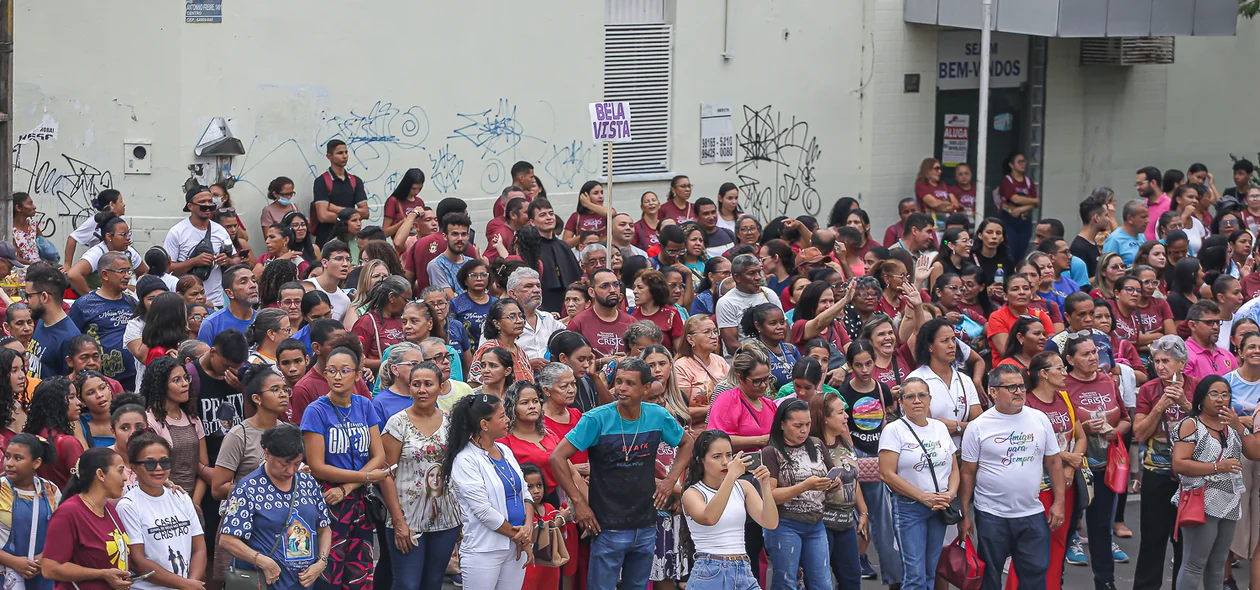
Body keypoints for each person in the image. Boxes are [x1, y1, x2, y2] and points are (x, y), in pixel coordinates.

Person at [550, 357, 693, 590]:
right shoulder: (596, 418)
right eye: (618, 382)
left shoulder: (657, 415)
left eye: (629, 383)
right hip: (608, 525)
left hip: (646, 522)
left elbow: (687, 443)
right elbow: (557, 457)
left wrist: (669, 482)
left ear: (646, 388)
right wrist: (580, 504)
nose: (621, 388)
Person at [958, 364, 1066, 590]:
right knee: (990, 577)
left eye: (1021, 386)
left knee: (1035, 577)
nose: (1019, 391)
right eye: (1011, 387)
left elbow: (1054, 461)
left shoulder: (1039, 419)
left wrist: (1059, 502)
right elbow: (968, 472)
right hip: (991, 515)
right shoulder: (978, 427)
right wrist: (965, 514)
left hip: (1032, 514)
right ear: (993, 391)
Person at [300, 343, 388, 587]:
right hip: (329, 498)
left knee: (360, 571)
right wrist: (366, 477)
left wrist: (349, 486)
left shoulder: (364, 405)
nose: (337, 376)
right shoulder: (315, 411)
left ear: (358, 375)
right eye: (331, 371)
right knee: (329, 573)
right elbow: (317, 466)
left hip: (358, 496)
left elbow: (378, 455)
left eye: (345, 370)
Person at [219, 423, 332, 590]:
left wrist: (321, 562)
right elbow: (227, 540)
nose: (291, 470)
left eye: (297, 463)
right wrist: (262, 561)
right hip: (265, 583)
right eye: (284, 463)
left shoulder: (308, 483)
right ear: (267, 453)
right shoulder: (249, 488)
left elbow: (324, 528)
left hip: (303, 583)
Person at [1172, 376, 1260, 590]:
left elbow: (1255, 452)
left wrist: (1239, 425)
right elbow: (1179, 464)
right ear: (1202, 397)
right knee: (1194, 564)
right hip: (1200, 499)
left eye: (1225, 394)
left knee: (1218, 564)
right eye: (1214, 394)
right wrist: (1217, 467)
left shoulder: (1231, 426)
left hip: (1229, 501)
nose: (1221, 399)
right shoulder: (1191, 424)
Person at [381, 361, 462, 590]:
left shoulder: (451, 422)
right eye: (416, 384)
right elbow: (386, 474)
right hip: (407, 517)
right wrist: (398, 522)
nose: (422, 389)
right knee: (407, 584)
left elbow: (459, 469)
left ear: (440, 386)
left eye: (428, 384)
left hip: (446, 517)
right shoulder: (398, 423)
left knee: (433, 583)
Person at [444, 393, 533, 589]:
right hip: (484, 550)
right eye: (501, 416)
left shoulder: (505, 450)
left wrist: (527, 529)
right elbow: (483, 511)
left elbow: (524, 492)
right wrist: (520, 537)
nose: (508, 419)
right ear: (484, 425)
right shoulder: (465, 460)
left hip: (516, 545)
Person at [1063, 333, 1131, 588]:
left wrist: (1118, 431)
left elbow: (1126, 418)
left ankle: (1106, 582)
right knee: (1067, 530)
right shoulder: (1064, 385)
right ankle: (1054, 581)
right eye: (1085, 354)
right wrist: (1082, 428)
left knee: (1101, 529)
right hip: (1075, 469)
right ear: (1070, 359)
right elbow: (1056, 426)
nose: (1093, 357)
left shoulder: (1107, 381)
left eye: (1095, 352)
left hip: (1105, 468)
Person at [877, 377, 958, 590]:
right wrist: (923, 497)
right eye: (910, 397)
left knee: (931, 570)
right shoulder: (893, 430)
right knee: (914, 576)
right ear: (901, 402)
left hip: (939, 506)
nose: (917, 401)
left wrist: (950, 494)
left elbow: (954, 467)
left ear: (930, 399)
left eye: (922, 395)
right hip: (910, 508)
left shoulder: (939, 427)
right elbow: (887, 474)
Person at [680, 430, 777, 590]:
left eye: (729, 455)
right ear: (701, 460)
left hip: (743, 568)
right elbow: (709, 518)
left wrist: (765, 485)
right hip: (710, 570)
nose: (725, 462)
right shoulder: (693, 493)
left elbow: (770, 522)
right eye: (717, 456)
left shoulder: (743, 487)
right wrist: (731, 477)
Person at [759, 398, 837, 590]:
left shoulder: (817, 444)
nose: (804, 430)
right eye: (798, 425)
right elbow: (770, 496)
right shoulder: (771, 452)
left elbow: (832, 472)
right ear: (783, 425)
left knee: (822, 582)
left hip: (816, 522)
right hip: (784, 524)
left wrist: (834, 483)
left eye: (808, 424)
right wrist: (804, 486)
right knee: (786, 581)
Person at [116, 430, 207, 589]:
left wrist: (191, 583)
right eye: (150, 463)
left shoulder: (181, 497)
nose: (159, 468)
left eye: (165, 462)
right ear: (134, 467)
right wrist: (185, 585)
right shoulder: (128, 506)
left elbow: (199, 548)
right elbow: (138, 561)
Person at [39, 447, 133, 590]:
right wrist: (102, 574)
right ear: (101, 475)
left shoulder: (108, 508)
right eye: (120, 471)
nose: (125, 477)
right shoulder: (69, 513)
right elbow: (49, 568)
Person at [66, 251, 137, 390]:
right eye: (122, 271)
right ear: (105, 275)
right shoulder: (84, 305)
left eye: (129, 271)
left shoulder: (132, 302)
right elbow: (71, 341)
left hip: (132, 379)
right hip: (99, 384)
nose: (127, 276)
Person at [907, 319, 982, 446]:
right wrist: (965, 427)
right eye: (944, 341)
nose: (952, 345)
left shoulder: (965, 380)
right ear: (930, 346)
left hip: (964, 454)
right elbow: (924, 427)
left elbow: (980, 424)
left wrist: (957, 427)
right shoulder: (916, 380)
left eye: (953, 339)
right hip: (932, 454)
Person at [164, 187, 235, 307]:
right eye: (202, 202)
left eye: (210, 201)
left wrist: (227, 261)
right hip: (187, 304)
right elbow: (167, 269)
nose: (207, 205)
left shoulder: (220, 231)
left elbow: (236, 260)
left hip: (216, 302)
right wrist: (194, 262)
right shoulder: (177, 232)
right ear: (190, 206)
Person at [716, 254, 783, 355]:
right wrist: (765, 358)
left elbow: (785, 328)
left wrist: (786, 355)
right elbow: (732, 345)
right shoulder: (726, 302)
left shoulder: (768, 294)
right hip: (744, 362)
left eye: (759, 272)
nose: (758, 277)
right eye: (751, 273)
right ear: (737, 278)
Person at [23, 378, 83, 489]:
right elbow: (84, 485)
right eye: (71, 397)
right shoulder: (68, 443)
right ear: (56, 403)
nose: (79, 403)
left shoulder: (28, 437)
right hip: (65, 504)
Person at [67, 212, 145, 296]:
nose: (128, 238)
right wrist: (92, 299)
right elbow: (73, 274)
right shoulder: (97, 253)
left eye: (128, 233)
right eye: (123, 235)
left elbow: (144, 272)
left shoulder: (129, 252)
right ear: (109, 237)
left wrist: (136, 291)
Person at [23, 263, 80, 380]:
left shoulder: (69, 338)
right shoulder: (41, 322)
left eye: (28, 295)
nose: (25, 300)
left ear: (44, 297)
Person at [566, 268, 636, 358]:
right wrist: (601, 362)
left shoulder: (631, 322)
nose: (612, 290)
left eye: (616, 285)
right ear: (591, 292)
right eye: (605, 286)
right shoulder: (578, 323)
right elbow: (569, 361)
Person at [311, 139, 369, 246]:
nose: (345, 156)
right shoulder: (322, 181)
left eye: (346, 152)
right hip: (327, 238)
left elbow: (365, 213)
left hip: (351, 239)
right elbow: (323, 216)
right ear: (329, 156)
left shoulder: (355, 181)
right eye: (340, 153)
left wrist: (334, 208)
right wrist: (351, 217)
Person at [675, 315, 728, 429]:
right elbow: (680, 410)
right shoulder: (681, 367)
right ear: (690, 339)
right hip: (697, 431)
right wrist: (719, 407)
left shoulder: (720, 361)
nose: (714, 336)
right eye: (707, 332)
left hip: (725, 426)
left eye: (715, 331)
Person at [350, 276, 411, 373]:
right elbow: (354, 359)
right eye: (406, 300)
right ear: (391, 297)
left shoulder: (404, 320)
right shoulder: (366, 322)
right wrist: (390, 362)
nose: (408, 304)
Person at [198, 264, 259, 344]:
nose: (253, 285)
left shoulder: (264, 321)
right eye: (244, 282)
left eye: (254, 281)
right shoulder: (211, 324)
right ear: (230, 293)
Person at [1185, 300, 1236, 380]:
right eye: (1209, 322)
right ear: (1192, 325)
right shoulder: (1183, 356)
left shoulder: (1227, 355)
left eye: (1218, 322)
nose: (1216, 327)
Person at [450, 260, 497, 345]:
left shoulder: (497, 304)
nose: (479, 279)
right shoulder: (455, 304)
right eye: (473, 275)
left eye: (483, 275)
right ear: (465, 280)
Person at [304, 239, 353, 321]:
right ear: (324, 263)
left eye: (348, 260)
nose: (345, 264)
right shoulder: (306, 287)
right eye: (338, 258)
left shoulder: (345, 301)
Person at [1102, 200, 1149, 267]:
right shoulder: (1114, 239)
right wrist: (1129, 269)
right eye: (1143, 217)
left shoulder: (1141, 236)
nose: (1147, 221)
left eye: (1147, 217)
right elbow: (1107, 268)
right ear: (1130, 218)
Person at [485, 192, 528, 263]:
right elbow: (488, 262)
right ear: (513, 215)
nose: (530, 216)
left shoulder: (513, 232)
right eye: (526, 212)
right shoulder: (502, 235)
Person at [382, 168, 426, 236]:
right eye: (413, 188)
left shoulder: (420, 202)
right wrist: (402, 223)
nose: (417, 192)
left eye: (420, 188)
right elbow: (385, 232)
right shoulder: (393, 201)